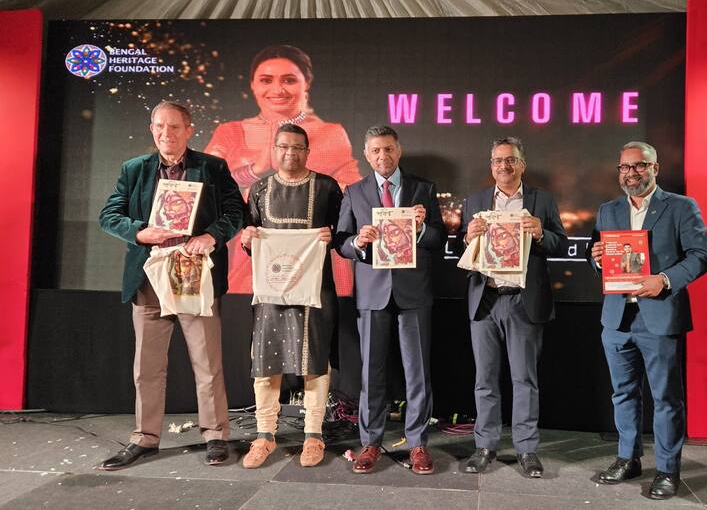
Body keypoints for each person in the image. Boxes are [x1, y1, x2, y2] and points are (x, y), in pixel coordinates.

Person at [98, 101, 246, 469]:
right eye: (159, 127)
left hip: (196, 276)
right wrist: (139, 232)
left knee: (207, 362)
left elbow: (235, 212)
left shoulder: (212, 167)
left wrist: (211, 236)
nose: (166, 134)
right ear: (152, 129)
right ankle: (145, 438)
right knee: (146, 366)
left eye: (174, 127)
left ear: (189, 129)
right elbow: (109, 215)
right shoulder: (135, 169)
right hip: (150, 277)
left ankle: (215, 434)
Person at [588, 141, 707, 499]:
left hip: (659, 316)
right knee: (623, 393)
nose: (631, 173)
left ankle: (669, 469)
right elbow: (599, 256)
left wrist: (666, 279)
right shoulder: (608, 210)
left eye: (639, 166)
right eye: (625, 167)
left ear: (655, 168)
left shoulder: (681, 207)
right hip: (617, 317)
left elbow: (701, 256)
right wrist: (596, 257)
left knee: (666, 398)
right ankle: (628, 457)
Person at [204, 44, 361, 295]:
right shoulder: (230, 132)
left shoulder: (330, 134)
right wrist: (257, 169)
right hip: (254, 258)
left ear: (306, 83)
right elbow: (210, 189)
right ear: (253, 85)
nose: (277, 89)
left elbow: (351, 192)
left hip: (313, 257)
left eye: (289, 80)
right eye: (266, 80)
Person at [336, 125, 446, 474]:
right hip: (372, 292)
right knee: (372, 372)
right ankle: (370, 442)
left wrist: (422, 229)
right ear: (366, 155)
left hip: (413, 292)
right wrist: (358, 241)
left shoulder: (423, 189)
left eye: (388, 149)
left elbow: (440, 238)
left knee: (417, 373)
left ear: (398, 151)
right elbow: (341, 242)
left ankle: (417, 444)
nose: (382, 156)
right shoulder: (354, 192)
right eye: (375, 151)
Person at [455, 137, 568, 478]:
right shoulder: (474, 201)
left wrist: (539, 234)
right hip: (486, 299)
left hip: (522, 300)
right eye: (498, 160)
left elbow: (559, 243)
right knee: (485, 380)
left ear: (522, 164)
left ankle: (526, 449)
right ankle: (485, 446)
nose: (504, 166)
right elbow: (459, 243)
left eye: (511, 160)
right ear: (491, 166)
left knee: (524, 380)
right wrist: (466, 235)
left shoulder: (541, 200)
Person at [239, 124, 343, 469]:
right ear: (274, 148)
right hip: (272, 288)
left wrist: (334, 236)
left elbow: (344, 235)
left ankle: (314, 434)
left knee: (315, 359)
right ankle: (264, 434)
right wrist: (247, 237)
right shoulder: (260, 188)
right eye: (284, 146)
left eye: (298, 148)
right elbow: (248, 232)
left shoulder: (327, 188)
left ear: (308, 151)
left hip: (315, 290)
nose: (290, 153)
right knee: (266, 360)